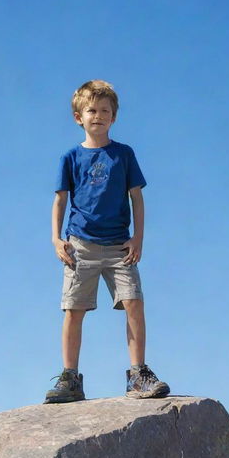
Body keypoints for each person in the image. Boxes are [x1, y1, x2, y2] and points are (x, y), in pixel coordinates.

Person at [45, 80, 170, 403]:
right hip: (80, 246)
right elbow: (60, 200)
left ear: (113, 117)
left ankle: (138, 374)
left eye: (104, 111)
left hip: (119, 246)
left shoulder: (123, 154)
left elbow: (137, 199)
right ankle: (70, 377)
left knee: (134, 303)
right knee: (73, 309)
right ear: (78, 117)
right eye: (91, 110)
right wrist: (56, 240)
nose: (97, 116)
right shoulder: (70, 157)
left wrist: (138, 237)